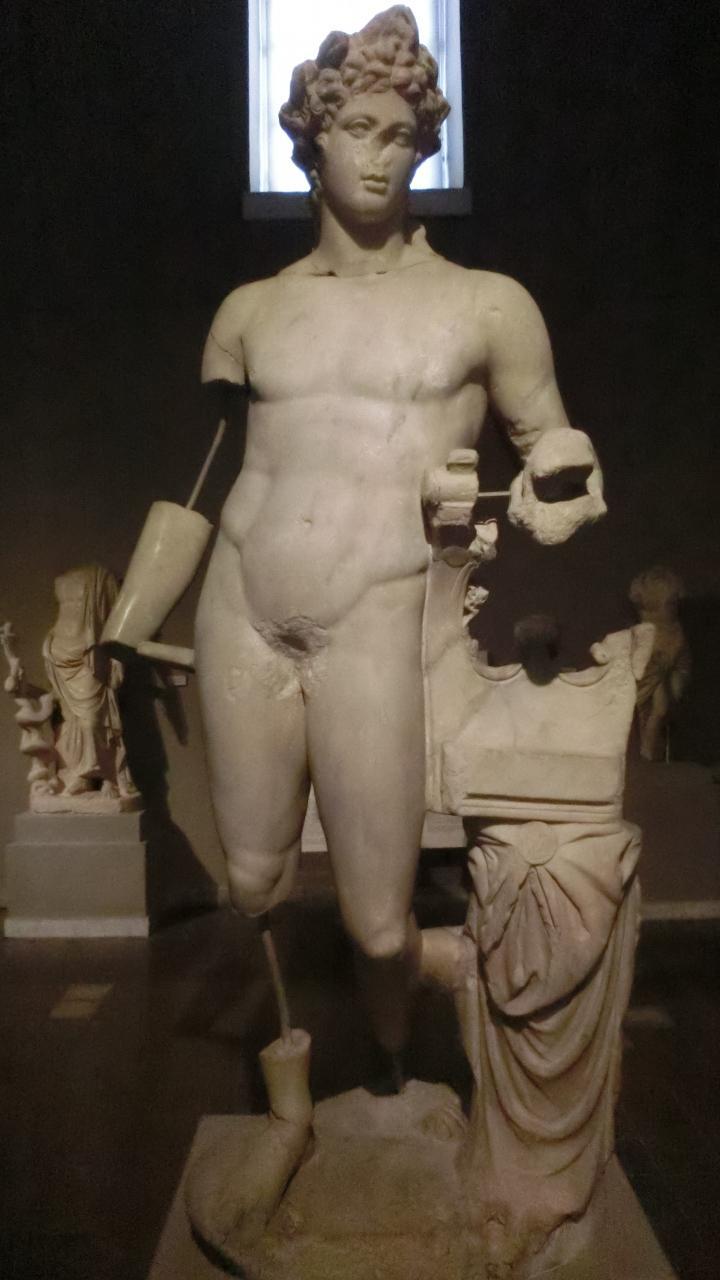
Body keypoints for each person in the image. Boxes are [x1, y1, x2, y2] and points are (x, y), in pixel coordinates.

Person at [195, 5, 605, 1068]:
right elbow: (221, 475)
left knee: (378, 924)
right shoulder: (250, 311)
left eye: (402, 137)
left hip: (375, 616)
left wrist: (559, 487)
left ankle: (442, 1005)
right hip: (242, 603)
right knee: (251, 884)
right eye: (358, 130)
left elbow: (555, 451)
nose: (381, 158)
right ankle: (326, 1078)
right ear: (312, 139)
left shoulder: (486, 306)